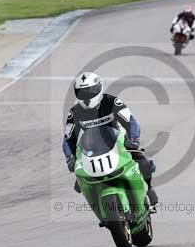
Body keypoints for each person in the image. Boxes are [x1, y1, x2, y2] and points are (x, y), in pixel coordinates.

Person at [63, 72, 159, 208]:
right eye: (82, 93)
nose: (87, 97)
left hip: (119, 141)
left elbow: (131, 122)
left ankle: (149, 188)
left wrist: (133, 139)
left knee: (142, 160)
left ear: (99, 88)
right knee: (80, 178)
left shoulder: (112, 102)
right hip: (92, 147)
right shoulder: (74, 112)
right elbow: (68, 139)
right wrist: (70, 157)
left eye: (90, 91)